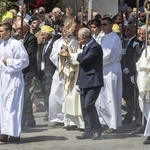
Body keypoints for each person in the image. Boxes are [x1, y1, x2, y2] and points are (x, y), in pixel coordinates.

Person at [0, 22, 29, 143]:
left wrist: (10, 62)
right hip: (3, 78)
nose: (0, 33)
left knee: (13, 106)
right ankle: (4, 132)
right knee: (3, 106)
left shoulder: (16, 44)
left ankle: (14, 134)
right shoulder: (1, 44)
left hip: (14, 78)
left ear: (8, 32)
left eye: (1, 31)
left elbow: (24, 61)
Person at [76, 27, 103, 140]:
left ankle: (97, 128)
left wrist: (79, 55)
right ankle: (88, 130)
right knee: (83, 107)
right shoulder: (87, 47)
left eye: (80, 38)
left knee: (89, 105)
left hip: (93, 81)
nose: (79, 41)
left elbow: (84, 60)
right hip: (84, 81)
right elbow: (82, 66)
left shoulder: (95, 47)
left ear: (86, 38)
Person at [96, 17, 123, 133]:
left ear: (111, 25)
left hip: (111, 69)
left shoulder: (115, 38)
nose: (102, 27)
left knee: (111, 96)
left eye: (105, 24)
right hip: (102, 69)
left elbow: (109, 55)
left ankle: (113, 124)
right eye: (101, 25)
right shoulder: (101, 37)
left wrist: (95, 61)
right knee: (102, 97)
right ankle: (103, 121)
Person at [14, 20, 37, 128]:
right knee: (22, 95)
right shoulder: (16, 38)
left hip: (28, 70)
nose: (19, 31)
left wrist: (19, 61)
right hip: (18, 70)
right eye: (17, 29)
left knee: (25, 94)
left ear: (26, 28)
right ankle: (24, 118)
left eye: (20, 28)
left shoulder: (31, 38)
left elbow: (30, 55)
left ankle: (28, 119)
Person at [39, 25, 61, 121]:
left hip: (50, 72)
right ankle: (47, 111)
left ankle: (51, 112)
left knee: (49, 92)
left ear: (48, 35)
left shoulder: (54, 44)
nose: (42, 37)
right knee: (44, 92)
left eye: (43, 35)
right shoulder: (43, 45)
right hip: (43, 72)